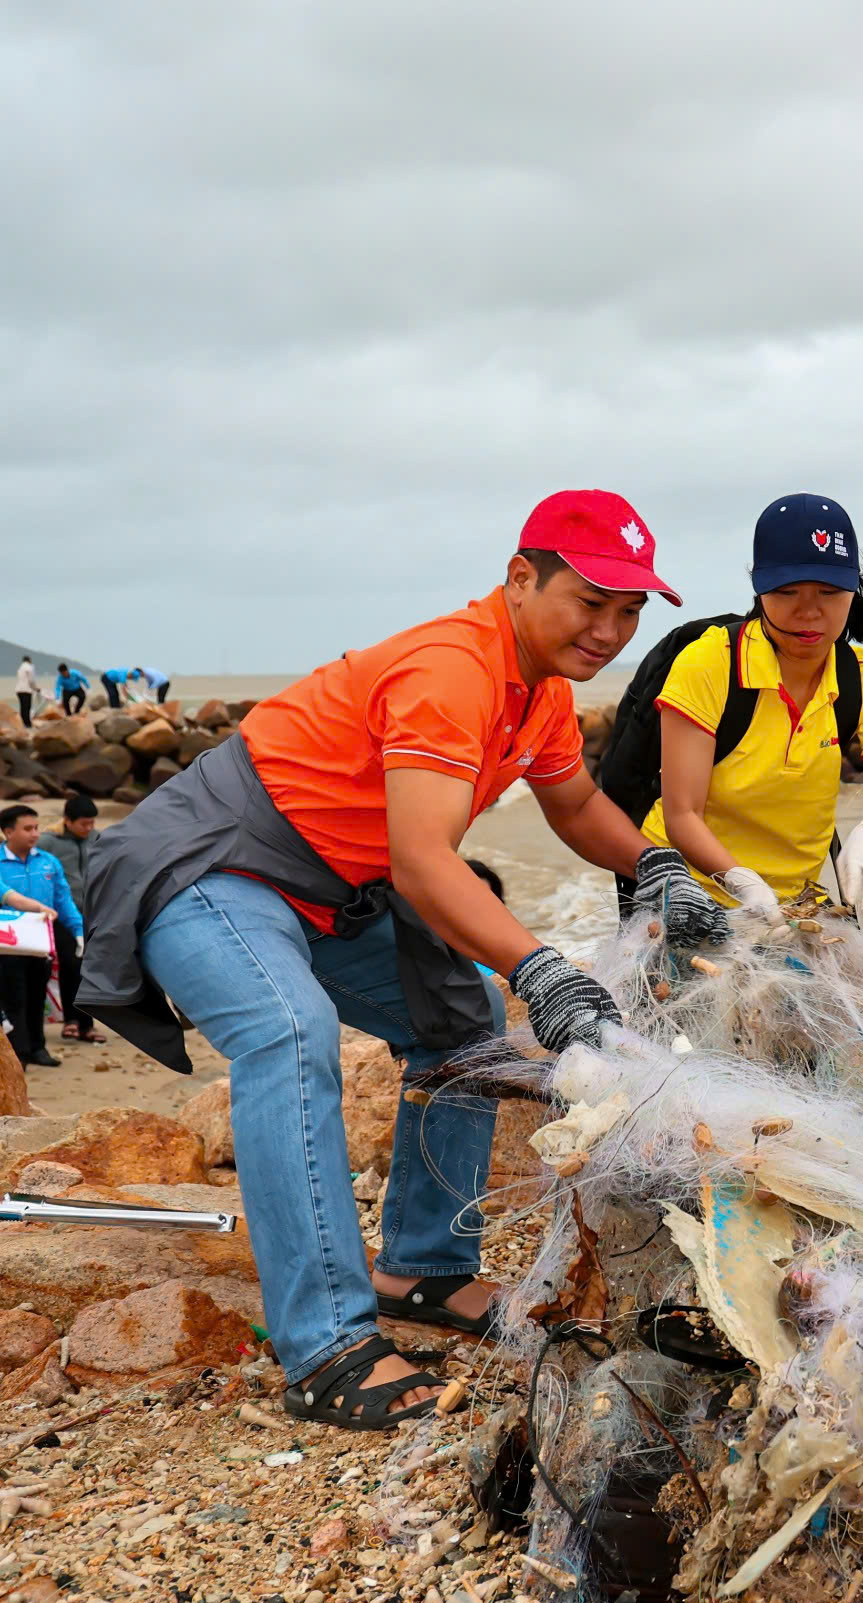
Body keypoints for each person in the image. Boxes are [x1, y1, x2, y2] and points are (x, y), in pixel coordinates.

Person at [81, 490, 729, 1432]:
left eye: (630, 611)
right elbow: (426, 865)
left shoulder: (538, 689)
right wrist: (540, 968)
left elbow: (578, 804)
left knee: (458, 1022)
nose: (612, 629)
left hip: (333, 889)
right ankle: (326, 1348)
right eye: (592, 601)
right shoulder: (452, 670)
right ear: (520, 577)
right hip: (212, 866)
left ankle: (423, 1268)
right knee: (287, 1031)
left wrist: (655, 861)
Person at [642, 494, 863, 921]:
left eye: (829, 591)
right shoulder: (710, 662)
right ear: (759, 589)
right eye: (787, 591)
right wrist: (740, 880)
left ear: (853, 590)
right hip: (687, 889)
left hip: (796, 901)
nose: (809, 611)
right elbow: (682, 814)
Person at [0, 805, 80, 1069]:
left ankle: (38, 1047)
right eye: (27, 828)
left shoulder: (48, 861)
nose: (34, 833)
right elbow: (9, 896)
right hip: (8, 942)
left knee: (38, 994)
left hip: (40, 940)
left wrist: (78, 929)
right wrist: (37, 907)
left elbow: (63, 900)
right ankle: (17, 1053)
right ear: (8, 832)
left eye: (36, 828)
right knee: (13, 996)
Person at [37, 794, 103, 1044]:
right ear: (67, 820)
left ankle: (87, 1024)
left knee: (89, 966)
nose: (89, 828)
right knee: (71, 963)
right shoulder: (48, 842)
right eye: (84, 823)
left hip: (91, 913)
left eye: (92, 823)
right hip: (60, 914)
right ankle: (72, 1021)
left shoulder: (95, 839)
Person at [13, 657, 33, 729]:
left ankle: (23, 723)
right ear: (29, 660)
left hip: (19, 690)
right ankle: (28, 724)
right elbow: (31, 680)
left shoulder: (20, 668)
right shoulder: (29, 667)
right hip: (26, 690)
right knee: (27, 707)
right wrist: (36, 688)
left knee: (22, 707)